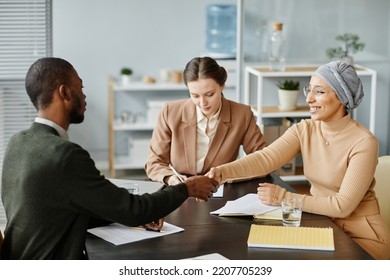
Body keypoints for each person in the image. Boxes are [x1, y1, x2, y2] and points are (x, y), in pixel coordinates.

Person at [0, 57, 218, 260]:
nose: (84, 96)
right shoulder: (65, 156)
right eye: (81, 87)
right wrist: (187, 188)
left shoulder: (18, 142)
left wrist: (125, 214)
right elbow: (134, 210)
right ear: (65, 93)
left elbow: (60, 209)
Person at [208, 61, 390, 260]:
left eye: (319, 92)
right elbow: (267, 158)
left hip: (361, 235)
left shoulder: (364, 142)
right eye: (309, 90)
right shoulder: (304, 129)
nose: (309, 98)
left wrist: (284, 197)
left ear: (342, 97)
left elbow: (342, 206)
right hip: (323, 223)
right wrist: (221, 172)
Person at [145, 56, 266, 185]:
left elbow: (264, 159)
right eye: (195, 96)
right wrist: (171, 179)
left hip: (223, 189)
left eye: (209, 94)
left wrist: (226, 173)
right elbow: (154, 163)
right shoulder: (170, 112)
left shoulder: (242, 114)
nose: (203, 103)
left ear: (222, 86)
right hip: (180, 190)